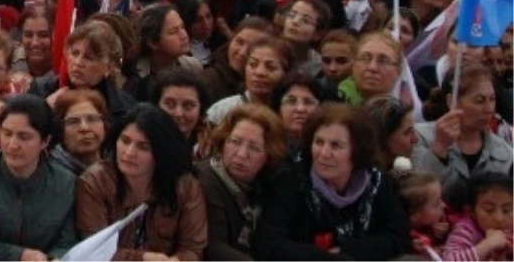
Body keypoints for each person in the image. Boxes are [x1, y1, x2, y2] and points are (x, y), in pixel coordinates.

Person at [254, 102, 409, 261]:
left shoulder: (376, 181)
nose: (324, 153)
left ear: (357, 151)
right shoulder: (291, 182)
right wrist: (326, 259)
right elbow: (269, 244)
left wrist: (347, 250)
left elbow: (398, 236)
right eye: (319, 142)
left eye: (336, 145)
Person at [76, 103, 208, 262]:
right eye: (125, 140)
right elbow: (94, 251)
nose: (129, 152)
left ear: (162, 152)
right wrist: (143, 258)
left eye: (143, 147)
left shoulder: (185, 185)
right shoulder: (95, 181)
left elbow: (193, 248)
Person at [0, 95, 78, 261]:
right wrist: (19, 256)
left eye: (24, 137)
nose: (12, 145)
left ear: (45, 141)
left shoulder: (66, 183)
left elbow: (67, 242)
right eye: (7, 134)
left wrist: (53, 259)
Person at [413, 65, 514, 208]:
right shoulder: (420, 136)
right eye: (479, 100)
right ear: (451, 101)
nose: (489, 109)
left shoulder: (505, 153)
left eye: (492, 99)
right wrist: (439, 150)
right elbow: (417, 194)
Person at [197, 104, 288, 262]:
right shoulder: (205, 179)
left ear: (269, 154)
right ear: (223, 141)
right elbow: (214, 247)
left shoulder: (269, 183)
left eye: (254, 148)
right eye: (235, 141)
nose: (241, 154)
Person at [208, 36, 294, 126]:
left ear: (286, 73)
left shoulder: (292, 113)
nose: (259, 72)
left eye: (270, 67)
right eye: (253, 64)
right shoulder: (222, 110)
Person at [440, 172, 514, 261]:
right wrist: (489, 244)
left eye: (507, 210)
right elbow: (449, 260)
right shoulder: (467, 229)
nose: (499, 218)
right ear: (471, 211)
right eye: (489, 210)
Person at [50, 88, 109, 173]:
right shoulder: (52, 175)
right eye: (74, 121)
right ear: (60, 130)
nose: (85, 128)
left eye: (92, 119)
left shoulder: (116, 166)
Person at [338, 32, 403, 106]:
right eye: (365, 58)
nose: (372, 68)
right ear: (353, 65)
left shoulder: (405, 114)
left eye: (383, 61)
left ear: (398, 70)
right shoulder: (333, 100)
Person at [364, 96, 416, 171]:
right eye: (407, 133)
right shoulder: (365, 179)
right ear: (382, 137)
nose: (415, 139)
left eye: (413, 130)